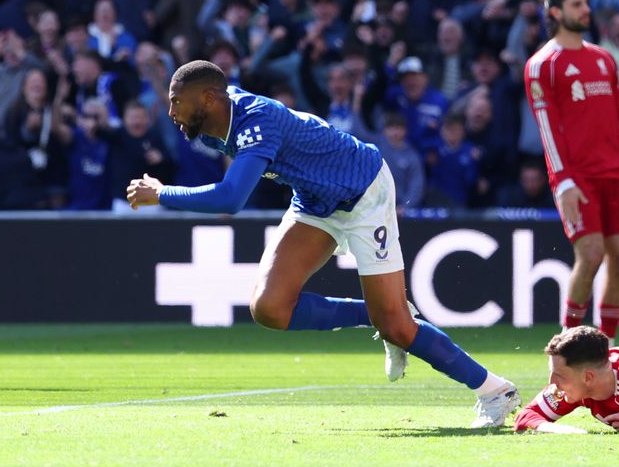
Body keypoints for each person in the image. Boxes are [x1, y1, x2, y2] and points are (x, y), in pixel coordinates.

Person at [125, 61, 519, 427]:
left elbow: (231, 198)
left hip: (362, 192)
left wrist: (161, 193)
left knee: (398, 327)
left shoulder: (255, 122)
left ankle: (495, 391)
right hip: (315, 199)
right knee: (270, 308)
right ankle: (377, 316)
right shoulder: (220, 115)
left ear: (208, 99)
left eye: (177, 101)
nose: (171, 111)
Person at [524, 0, 619, 342]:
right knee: (592, 253)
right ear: (556, 12)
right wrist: (563, 181)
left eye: (585, 3)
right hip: (576, 177)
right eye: (577, 4)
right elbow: (548, 130)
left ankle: (607, 347)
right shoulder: (543, 65)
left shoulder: (603, 59)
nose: (586, 10)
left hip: (614, 174)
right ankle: (567, 344)